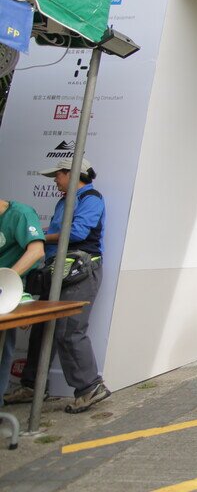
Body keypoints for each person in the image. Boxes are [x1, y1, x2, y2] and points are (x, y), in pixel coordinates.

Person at [4, 157, 110, 413]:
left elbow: (77, 233)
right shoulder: (64, 201)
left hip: (81, 269)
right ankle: (32, 386)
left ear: (74, 175)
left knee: (68, 329)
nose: (55, 180)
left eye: (58, 175)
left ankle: (90, 388)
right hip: (56, 269)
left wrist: (37, 236)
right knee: (42, 328)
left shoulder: (91, 198)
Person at [0, 198, 46, 405]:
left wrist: (7, 280)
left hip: (5, 292)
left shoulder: (21, 213)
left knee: (2, 348)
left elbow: (36, 251)